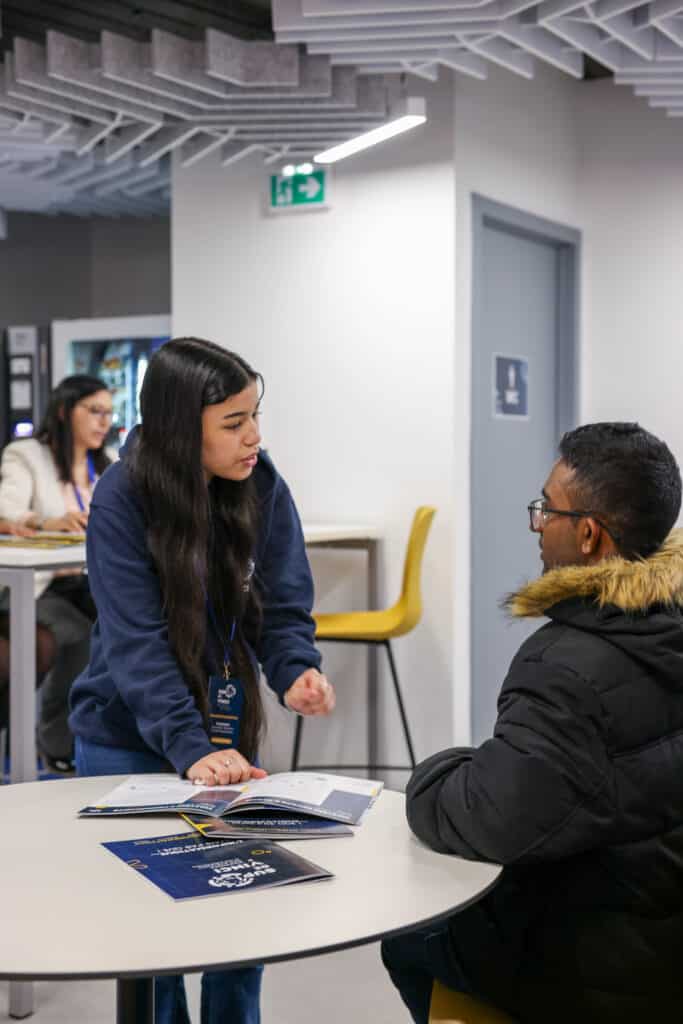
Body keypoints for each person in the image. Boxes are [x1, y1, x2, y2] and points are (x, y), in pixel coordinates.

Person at [69, 337, 335, 1024]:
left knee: (238, 928)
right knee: (153, 943)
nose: (254, 437)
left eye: (255, 416)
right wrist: (187, 746)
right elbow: (135, 644)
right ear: (181, 427)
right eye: (233, 422)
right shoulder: (123, 498)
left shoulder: (261, 482)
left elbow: (280, 599)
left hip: (222, 736)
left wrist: (294, 667)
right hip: (130, 735)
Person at [382, 422, 683, 1024]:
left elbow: (490, 819)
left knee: (409, 941)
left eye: (546, 509)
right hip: (664, 937)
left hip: (605, 971)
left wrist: (433, 772)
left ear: (591, 534)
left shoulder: (565, 664)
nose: (537, 523)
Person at [0, 375, 114, 772]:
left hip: (88, 582)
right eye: (94, 411)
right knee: (80, 636)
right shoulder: (26, 454)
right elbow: (7, 510)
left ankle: (91, 744)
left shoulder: (106, 463)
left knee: (125, 629)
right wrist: (50, 521)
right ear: (65, 411)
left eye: (109, 413)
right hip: (38, 583)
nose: (103, 422)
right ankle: (56, 744)